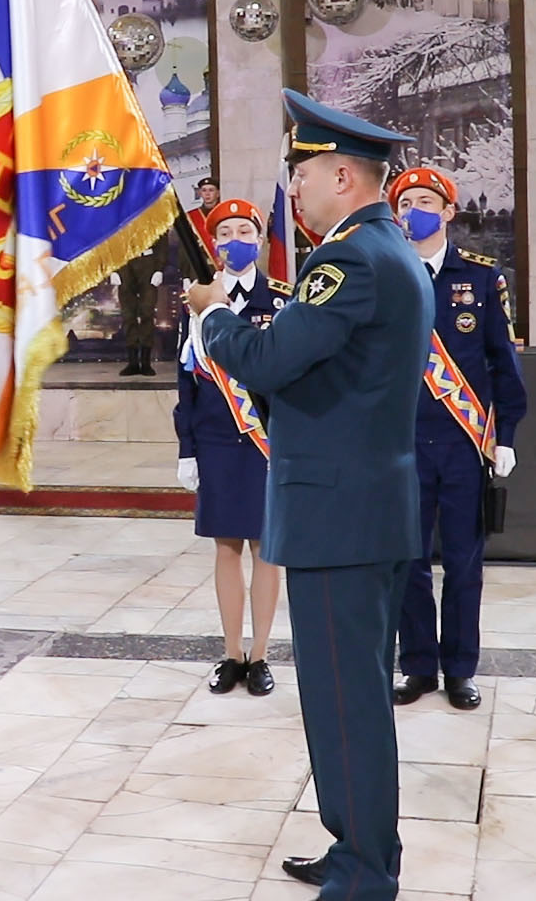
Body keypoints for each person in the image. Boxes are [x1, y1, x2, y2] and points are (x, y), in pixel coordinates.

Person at [186, 89, 432, 898]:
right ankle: (358, 844)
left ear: (344, 177)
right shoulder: (387, 249)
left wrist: (214, 317)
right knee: (347, 695)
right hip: (367, 507)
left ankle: (365, 873)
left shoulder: (349, 259)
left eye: (304, 175)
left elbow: (266, 363)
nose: (292, 192)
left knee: (344, 703)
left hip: (340, 515)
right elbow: (325, 371)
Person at [391, 167, 526, 712]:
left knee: (465, 562)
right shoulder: (386, 274)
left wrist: (508, 435)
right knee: (408, 560)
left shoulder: (482, 277)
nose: (414, 211)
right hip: (402, 442)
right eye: (406, 202)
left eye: (427, 201)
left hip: (465, 441)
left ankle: (460, 669)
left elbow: (502, 361)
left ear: (449, 211)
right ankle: (418, 666)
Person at [174, 197, 288, 698]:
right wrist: (187, 448)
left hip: (267, 442)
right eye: (226, 234)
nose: (236, 242)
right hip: (218, 438)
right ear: (213, 244)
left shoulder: (283, 300)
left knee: (267, 549)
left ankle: (260, 655)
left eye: (245, 232)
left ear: (260, 241)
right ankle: (231, 653)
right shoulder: (198, 300)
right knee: (226, 546)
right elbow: (188, 382)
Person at [109, 233, 169, 377]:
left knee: (147, 312)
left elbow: (161, 241)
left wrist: (159, 268)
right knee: (128, 314)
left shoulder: (151, 214)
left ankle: (146, 362)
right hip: (124, 262)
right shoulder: (120, 212)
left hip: (148, 262)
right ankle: (133, 362)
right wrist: (113, 269)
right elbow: (111, 240)